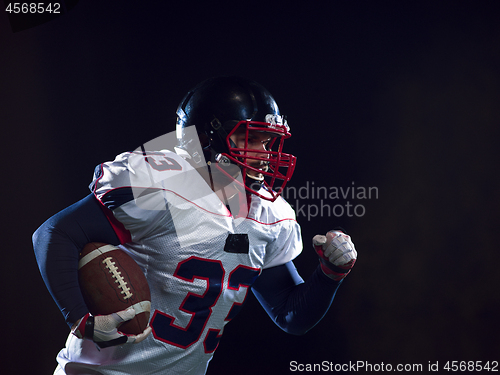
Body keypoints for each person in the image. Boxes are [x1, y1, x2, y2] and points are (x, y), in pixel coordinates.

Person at [33, 76, 357, 375]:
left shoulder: (270, 215)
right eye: (250, 138)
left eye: (269, 142)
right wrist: (80, 317)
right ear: (204, 137)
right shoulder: (163, 184)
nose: (264, 155)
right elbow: (56, 233)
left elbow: (290, 315)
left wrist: (329, 274)